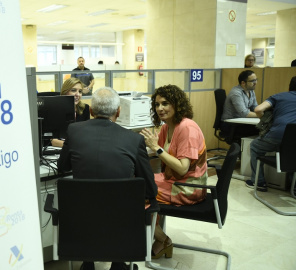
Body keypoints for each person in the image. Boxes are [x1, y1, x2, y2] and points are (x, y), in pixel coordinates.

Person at [58, 87, 157, 270]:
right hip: (121, 221)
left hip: (81, 220)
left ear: (92, 112)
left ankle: (87, 263)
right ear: (118, 112)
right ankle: (118, 264)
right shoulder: (134, 140)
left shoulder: (74, 131)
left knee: (89, 206)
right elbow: (150, 189)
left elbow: (62, 167)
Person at [140, 84, 208, 260]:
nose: (160, 108)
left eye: (165, 103)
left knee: (132, 193)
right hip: (172, 181)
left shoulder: (187, 128)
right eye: (157, 104)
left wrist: (156, 148)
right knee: (137, 183)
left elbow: (182, 167)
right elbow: (158, 152)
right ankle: (154, 236)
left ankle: (163, 239)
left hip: (187, 188)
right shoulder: (166, 127)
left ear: (177, 104)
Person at [248, 76, 296, 192]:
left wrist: (265, 120)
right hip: (293, 139)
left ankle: (259, 182)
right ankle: (293, 186)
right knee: (292, 152)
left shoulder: (279, 96)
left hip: (277, 134)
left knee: (255, 147)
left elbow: (258, 109)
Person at [50, 78, 90, 147]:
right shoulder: (55, 110)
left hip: (79, 150)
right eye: (73, 90)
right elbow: (53, 141)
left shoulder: (85, 109)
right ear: (65, 92)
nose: (77, 94)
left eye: (80, 91)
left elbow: (87, 135)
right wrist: (74, 146)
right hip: (60, 150)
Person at [220, 70, 260, 138]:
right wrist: (262, 115)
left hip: (241, 122)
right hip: (230, 125)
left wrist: (263, 111)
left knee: (263, 128)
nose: (255, 83)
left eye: (256, 80)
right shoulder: (236, 93)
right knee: (259, 130)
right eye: (252, 81)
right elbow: (244, 113)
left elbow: (254, 107)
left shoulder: (251, 91)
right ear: (243, 83)